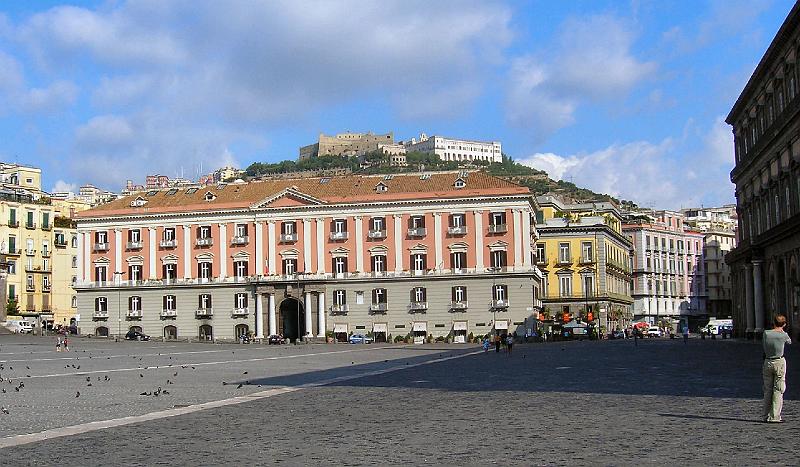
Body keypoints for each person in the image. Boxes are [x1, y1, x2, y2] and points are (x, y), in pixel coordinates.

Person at [763, 314, 792, 423]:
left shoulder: (766, 333)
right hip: (779, 361)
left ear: (773, 323)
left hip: (767, 361)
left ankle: (765, 415)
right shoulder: (783, 335)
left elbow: (764, 346)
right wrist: (784, 331)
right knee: (778, 389)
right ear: (784, 324)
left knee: (767, 390)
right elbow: (789, 342)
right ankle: (774, 416)